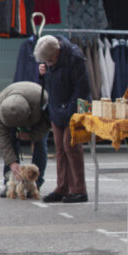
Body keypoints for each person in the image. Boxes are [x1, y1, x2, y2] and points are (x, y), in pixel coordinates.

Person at [34, 35, 90, 203]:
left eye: (49, 61)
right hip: (57, 106)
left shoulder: (74, 58)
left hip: (72, 108)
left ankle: (79, 190)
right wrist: (43, 74)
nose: (47, 63)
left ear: (56, 53)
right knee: (60, 148)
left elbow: (82, 89)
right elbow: (53, 83)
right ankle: (62, 187)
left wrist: (69, 111)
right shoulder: (52, 60)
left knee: (71, 146)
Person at [0, 82, 49, 198]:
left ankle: (35, 183)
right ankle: (10, 183)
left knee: (40, 144)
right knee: (10, 140)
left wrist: (32, 136)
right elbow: (0, 135)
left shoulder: (41, 99)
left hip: (35, 113)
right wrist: (12, 162)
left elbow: (46, 125)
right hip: (15, 111)